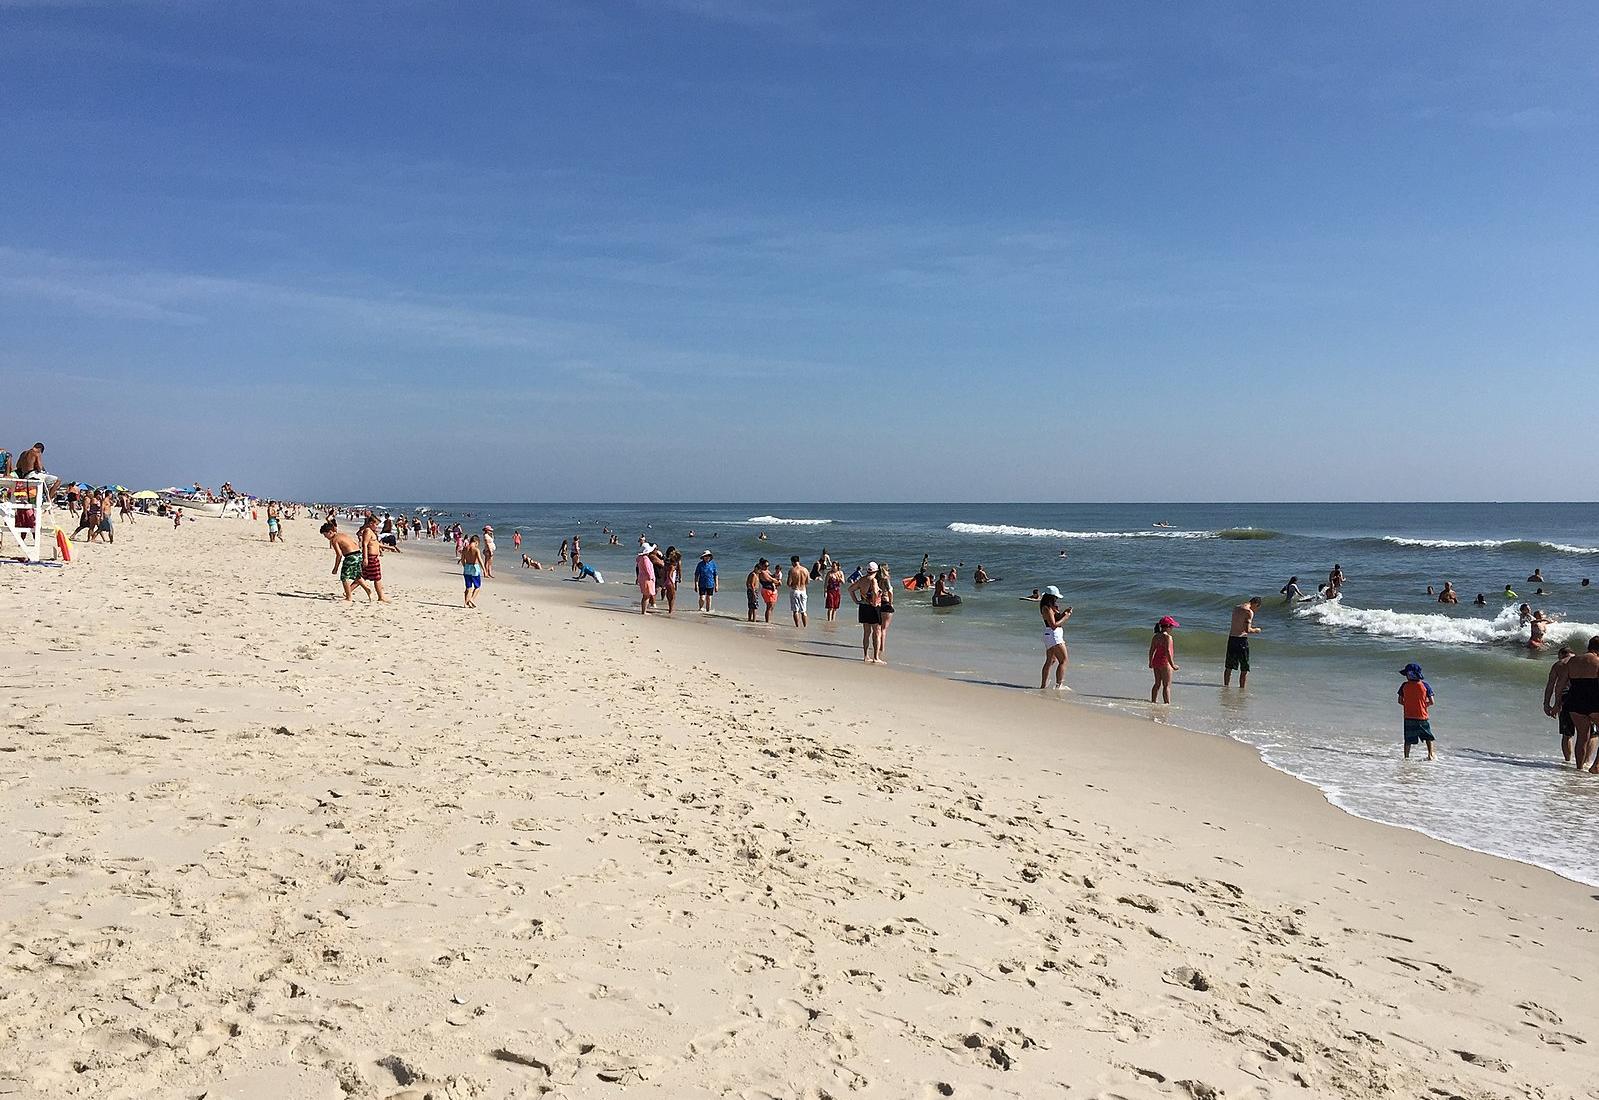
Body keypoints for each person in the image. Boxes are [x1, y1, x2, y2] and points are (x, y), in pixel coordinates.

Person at [1552, 637, 1599, 773]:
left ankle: (1579, 768)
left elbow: (1560, 684)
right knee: (1590, 735)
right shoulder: (1597, 661)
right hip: (1595, 702)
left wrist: (1556, 703)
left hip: (1575, 702)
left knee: (1582, 736)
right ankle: (1595, 766)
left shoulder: (1572, 661)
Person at [321, 520, 370, 602]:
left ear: (330, 532)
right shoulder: (342, 534)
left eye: (325, 535)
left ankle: (349, 597)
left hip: (351, 556)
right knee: (356, 575)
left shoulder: (334, 540)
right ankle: (367, 589)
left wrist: (335, 568)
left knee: (344, 577)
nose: (325, 537)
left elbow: (339, 555)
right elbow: (355, 542)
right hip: (358, 554)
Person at [1398, 662, 1437, 761]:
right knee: (1428, 737)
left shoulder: (1404, 686)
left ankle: (1406, 757)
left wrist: (1409, 705)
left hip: (1408, 716)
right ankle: (1431, 754)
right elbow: (1432, 702)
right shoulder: (1425, 686)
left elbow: (1400, 701)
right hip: (1422, 716)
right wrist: (1423, 705)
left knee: (1408, 739)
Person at [1544, 646, 1576, 763]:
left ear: (1562, 655)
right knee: (1591, 733)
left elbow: (1551, 685)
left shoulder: (1559, 664)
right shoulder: (1582, 662)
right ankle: (1586, 762)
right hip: (1586, 698)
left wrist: (1547, 704)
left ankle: (1568, 761)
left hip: (1565, 699)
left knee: (1567, 733)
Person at [1224, 597, 1263, 688]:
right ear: (1256, 604)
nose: (1256, 610)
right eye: (1257, 608)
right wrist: (1256, 630)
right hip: (1241, 640)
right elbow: (1247, 630)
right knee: (1244, 667)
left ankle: (1226, 686)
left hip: (1232, 638)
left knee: (1229, 666)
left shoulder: (1236, 608)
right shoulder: (1249, 612)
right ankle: (1242, 688)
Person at [1039, 586, 1072, 689]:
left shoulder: (1049, 607)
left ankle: (1043, 686)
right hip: (1054, 635)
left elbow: (1054, 621)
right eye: (1055, 597)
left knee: (1051, 660)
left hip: (1051, 635)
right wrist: (1066, 617)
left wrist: (1063, 614)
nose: (1056, 599)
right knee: (1064, 660)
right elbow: (1053, 625)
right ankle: (1059, 685)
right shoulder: (1047, 608)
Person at [849, 561, 881, 662]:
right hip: (872, 608)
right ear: (876, 571)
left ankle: (866, 656)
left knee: (866, 632)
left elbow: (850, 589)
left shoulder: (862, 580)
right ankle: (876, 657)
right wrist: (875, 602)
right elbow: (875, 591)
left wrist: (856, 601)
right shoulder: (874, 580)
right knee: (876, 632)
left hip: (863, 607)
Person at [1149, 616, 1179, 704]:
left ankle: (1153, 701)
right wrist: (1173, 665)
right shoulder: (1168, 637)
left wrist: (1150, 662)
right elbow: (1168, 652)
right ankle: (1167, 703)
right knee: (1166, 686)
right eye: (1172, 626)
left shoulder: (1155, 637)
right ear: (1168, 626)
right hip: (1165, 663)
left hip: (1156, 662)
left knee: (1157, 683)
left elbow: (1151, 650)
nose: (1173, 628)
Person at [360, 517, 389, 601]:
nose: (377, 526)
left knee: (363, 576)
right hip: (370, 557)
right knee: (377, 577)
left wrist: (389, 547)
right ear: (370, 523)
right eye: (376, 524)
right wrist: (365, 558)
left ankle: (348, 591)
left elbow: (376, 544)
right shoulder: (368, 531)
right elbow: (364, 544)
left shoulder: (372, 532)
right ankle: (381, 597)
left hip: (374, 557)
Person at [874, 563, 895, 660]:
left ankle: (877, 646)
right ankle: (882, 647)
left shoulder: (876, 579)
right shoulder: (886, 579)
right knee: (884, 628)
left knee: (878, 627)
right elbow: (890, 591)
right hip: (886, 602)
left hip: (878, 602)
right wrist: (891, 602)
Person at [635, 539, 660, 615]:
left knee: (645, 595)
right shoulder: (645, 559)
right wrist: (651, 577)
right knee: (647, 595)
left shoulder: (640, 558)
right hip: (647, 579)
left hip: (642, 577)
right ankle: (644, 611)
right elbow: (648, 570)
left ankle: (644, 610)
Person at [459, 535, 484, 608]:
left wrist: (465, 566)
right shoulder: (476, 550)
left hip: (467, 567)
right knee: (477, 586)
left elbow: (462, 560)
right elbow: (480, 560)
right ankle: (471, 599)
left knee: (468, 587)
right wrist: (484, 570)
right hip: (474, 568)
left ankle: (466, 603)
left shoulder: (465, 549)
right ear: (476, 542)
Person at [787, 555, 810, 627]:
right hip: (803, 590)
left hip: (795, 590)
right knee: (803, 611)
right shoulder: (805, 570)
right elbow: (808, 582)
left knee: (795, 610)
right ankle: (805, 626)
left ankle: (797, 626)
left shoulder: (792, 570)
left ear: (792, 562)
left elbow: (789, 583)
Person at [756, 558, 781, 623]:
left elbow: (773, 577)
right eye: (765, 566)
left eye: (768, 565)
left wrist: (777, 578)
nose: (767, 567)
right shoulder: (763, 572)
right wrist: (777, 581)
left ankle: (768, 620)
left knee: (771, 607)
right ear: (761, 565)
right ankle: (767, 621)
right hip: (767, 590)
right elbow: (771, 579)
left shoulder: (767, 571)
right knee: (769, 607)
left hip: (772, 590)